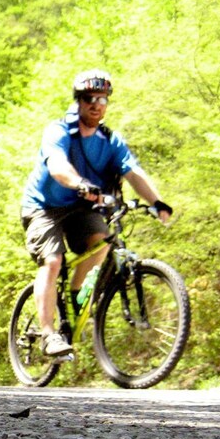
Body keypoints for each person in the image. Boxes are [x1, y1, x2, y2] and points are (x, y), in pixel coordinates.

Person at [20, 69, 173, 357]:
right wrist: (80, 183)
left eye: (102, 98)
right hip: (43, 206)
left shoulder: (110, 141)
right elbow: (57, 166)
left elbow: (133, 173)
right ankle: (49, 334)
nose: (96, 103)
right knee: (52, 262)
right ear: (78, 101)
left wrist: (157, 202)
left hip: (80, 208)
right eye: (89, 98)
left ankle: (77, 300)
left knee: (102, 240)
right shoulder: (59, 130)